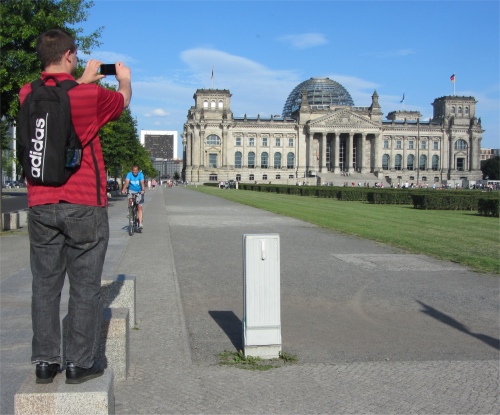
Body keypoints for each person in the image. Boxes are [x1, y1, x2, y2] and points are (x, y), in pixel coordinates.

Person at [19, 29, 131, 384]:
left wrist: (77, 80)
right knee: (84, 286)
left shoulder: (27, 94)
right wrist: (124, 79)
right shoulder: (92, 95)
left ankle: (45, 361)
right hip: (83, 202)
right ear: (70, 54)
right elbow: (122, 101)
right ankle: (79, 363)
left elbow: (59, 100)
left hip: (40, 202)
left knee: (44, 284)